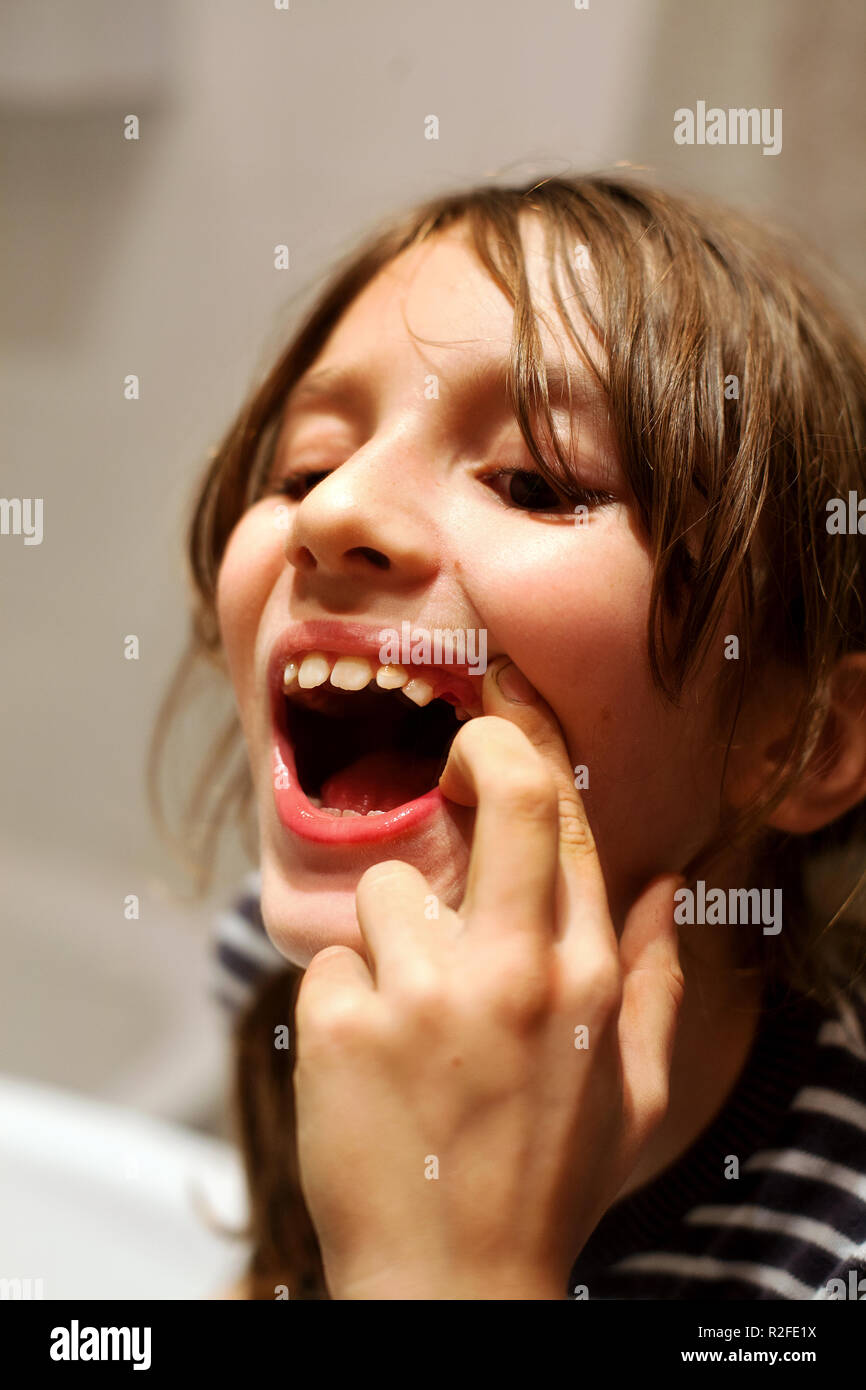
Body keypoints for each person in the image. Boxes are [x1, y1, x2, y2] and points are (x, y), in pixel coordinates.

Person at [153, 174, 866, 1299]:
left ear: (797, 737)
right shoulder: (295, 973)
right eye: (305, 467)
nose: (334, 510)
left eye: (532, 481)